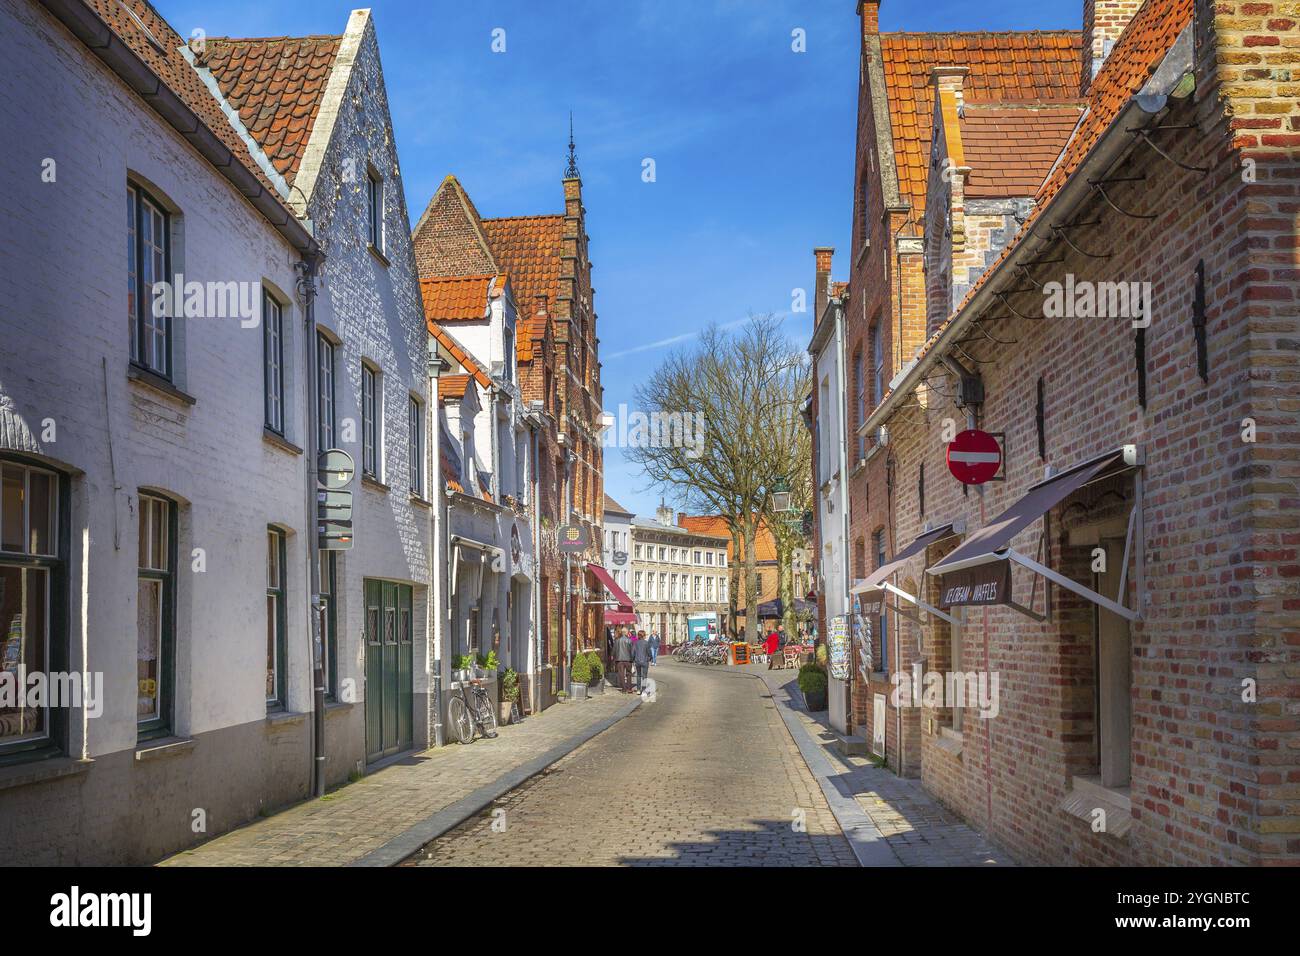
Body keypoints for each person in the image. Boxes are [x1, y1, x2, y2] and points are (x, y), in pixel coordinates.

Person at [614, 627, 634, 693]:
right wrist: (632, 659)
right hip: (628, 660)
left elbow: (614, 650)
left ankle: (623, 689)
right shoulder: (629, 640)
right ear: (627, 633)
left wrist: (614, 658)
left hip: (619, 660)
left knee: (621, 674)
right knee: (628, 674)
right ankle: (629, 688)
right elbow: (632, 651)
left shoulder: (617, 640)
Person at [632, 628, 652, 692]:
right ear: (643, 636)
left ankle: (638, 690)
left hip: (637, 661)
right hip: (645, 661)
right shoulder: (646, 643)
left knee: (638, 675)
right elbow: (649, 652)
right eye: (645, 635)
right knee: (644, 676)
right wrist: (650, 658)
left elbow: (633, 652)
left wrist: (633, 660)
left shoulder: (635, 643)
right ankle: (643, 689)